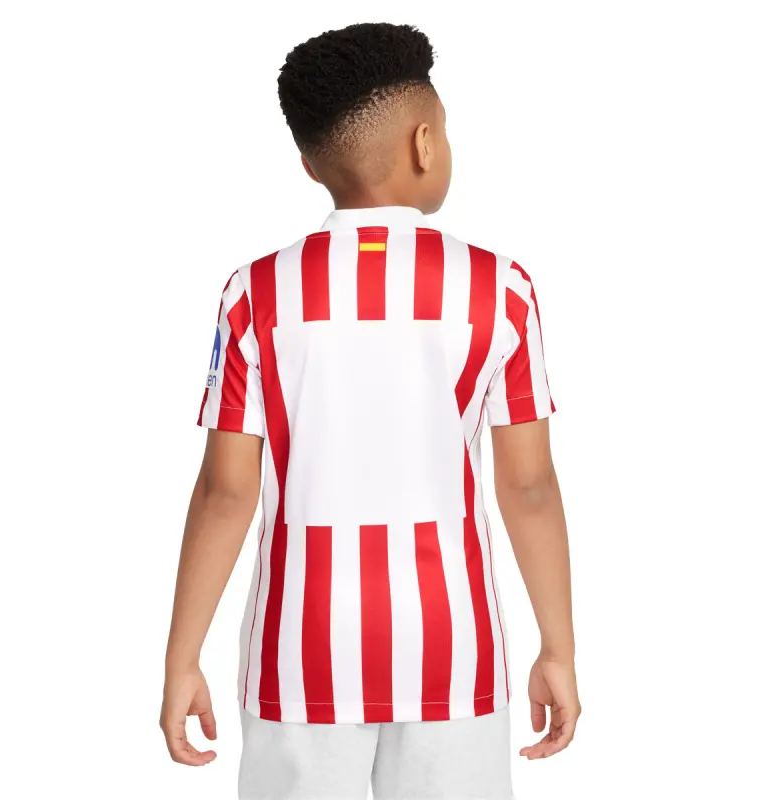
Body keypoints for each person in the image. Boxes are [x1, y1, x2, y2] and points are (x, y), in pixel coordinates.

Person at [161, 22, 580, 800]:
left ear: (309, 163)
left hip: (297, 653)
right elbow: (528, 487)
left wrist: (181, 658)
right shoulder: (500, 290)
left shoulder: (253, 294)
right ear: (425, 143)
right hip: (453, 651)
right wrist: (558, 647)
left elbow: (225, 492)